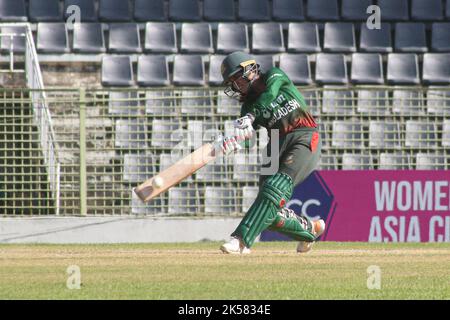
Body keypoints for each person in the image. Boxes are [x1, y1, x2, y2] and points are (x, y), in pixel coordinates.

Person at [215, 52, 325, 254]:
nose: (236, 87)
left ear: (250, 70)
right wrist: (234, 142)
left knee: (274, 189)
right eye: (232, 83)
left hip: (303, 135)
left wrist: (250, 116)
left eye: (237, 79)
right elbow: (248, 139)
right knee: (268, 208)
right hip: (275, 144)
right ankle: (310, 230)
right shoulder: (248, 107)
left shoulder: (274, 75)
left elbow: (269, 95)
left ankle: (241, 241)